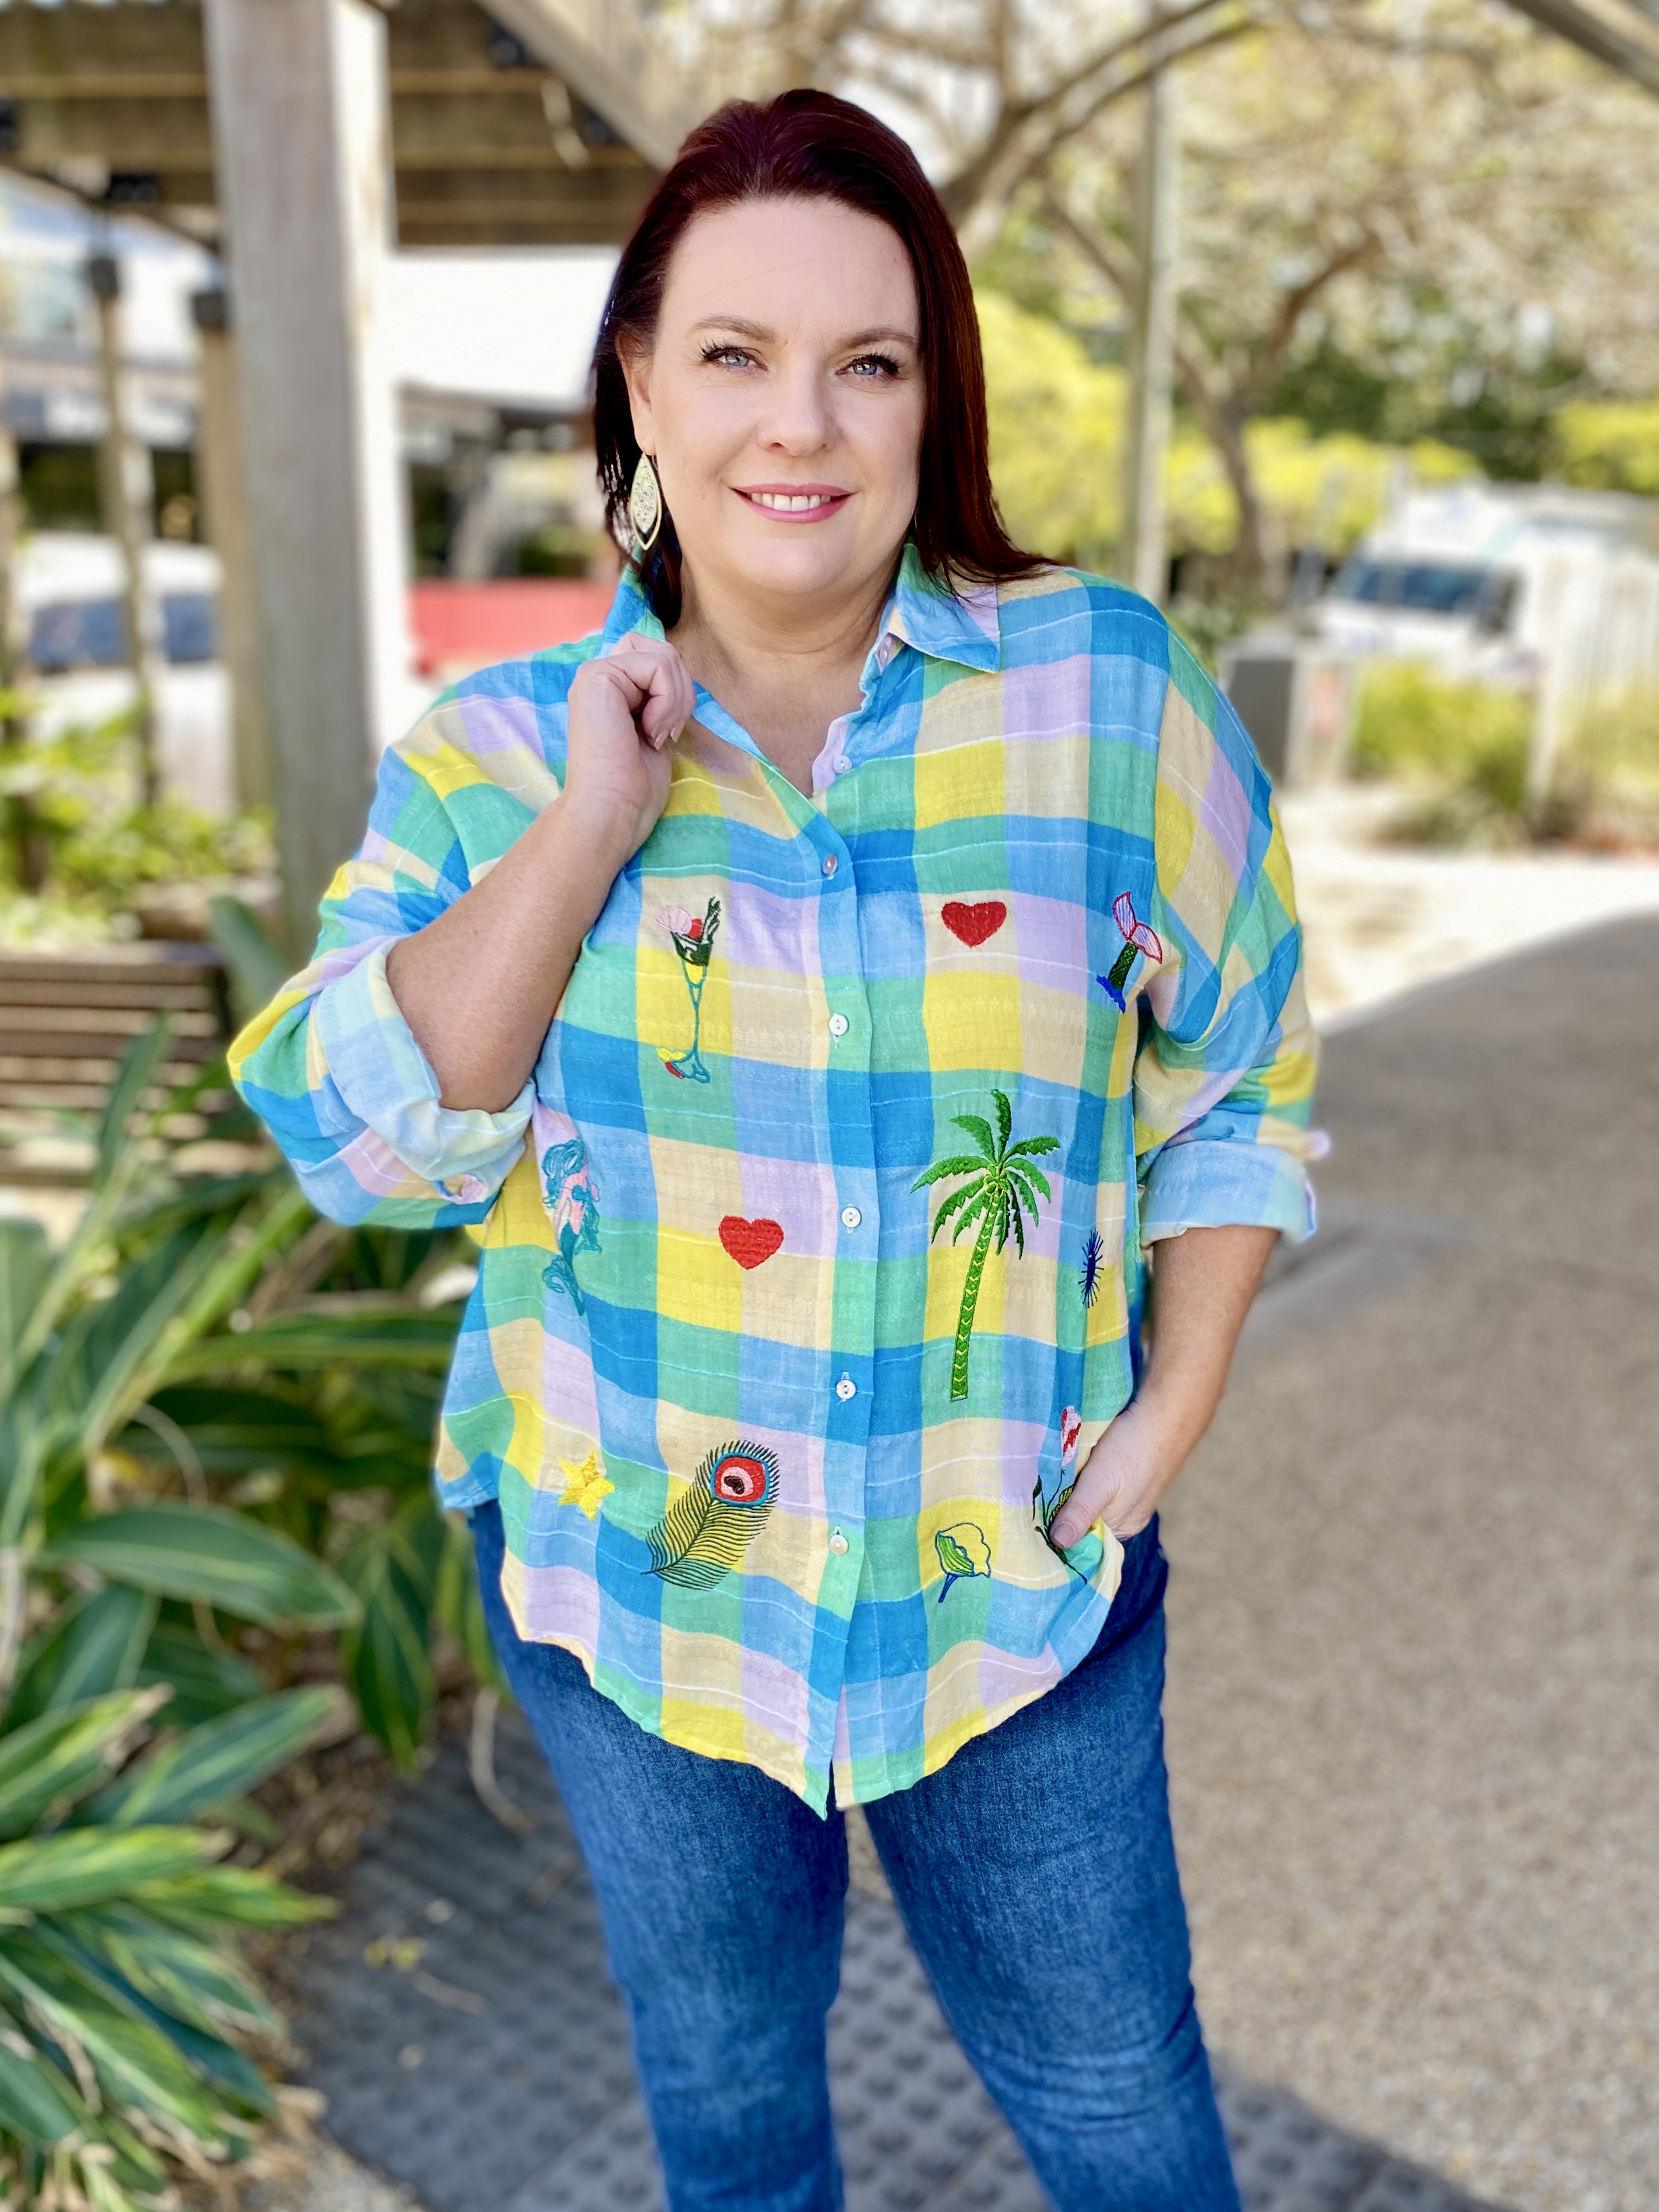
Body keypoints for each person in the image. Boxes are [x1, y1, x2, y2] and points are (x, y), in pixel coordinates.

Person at [232, 88, 1319, 2212]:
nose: (796, 423)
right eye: (732, 353)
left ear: (933, 399)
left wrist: (1175, 1396)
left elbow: (1238, 1068)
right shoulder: (491, 757)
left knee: (1125, 2116)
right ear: (641, 384)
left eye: (867, 361)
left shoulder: (1107, 696)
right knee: (730, 2112)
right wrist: (589, 825)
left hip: (1016, 1592)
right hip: (638, 1606)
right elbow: (361, 1147)